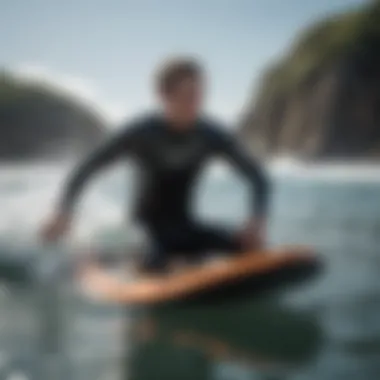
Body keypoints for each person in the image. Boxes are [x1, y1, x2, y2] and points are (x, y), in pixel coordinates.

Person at [41, 57, 271, 274]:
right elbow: (88, 167)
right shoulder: (142, 132)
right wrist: (64, 212)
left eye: (200, 94)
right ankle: (127, 261)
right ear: (164, 96)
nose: (196, 102)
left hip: (185, 228)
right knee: (156, 262)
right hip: (143, 234)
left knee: (247, 249)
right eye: (188, 95)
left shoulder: (211, 135)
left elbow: (256, 176)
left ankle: (185, 265)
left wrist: (256, 219)